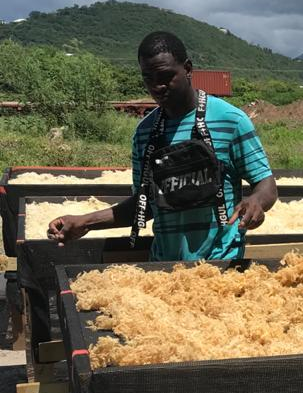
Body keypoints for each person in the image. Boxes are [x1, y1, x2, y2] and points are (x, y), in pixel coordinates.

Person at [47, 31, 277, 260]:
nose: (158, 87)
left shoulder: (230, 120)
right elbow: (144, 204)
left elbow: (265, 183)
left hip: (221, 264)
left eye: (166, 77)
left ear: (187, 69)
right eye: (149, 78)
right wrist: (84, 222)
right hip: (165, 266)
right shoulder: (145, 132)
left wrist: (256, 202)